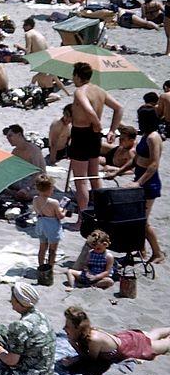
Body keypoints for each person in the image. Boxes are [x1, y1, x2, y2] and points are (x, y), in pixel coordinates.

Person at [69, 62, 123, 226]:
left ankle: (82, 221)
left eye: (73, 76)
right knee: (94, 176)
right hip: (94, 137)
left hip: (81, 134)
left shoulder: (80, 91)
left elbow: (88, 109)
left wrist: (97, 123)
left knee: (81, 180)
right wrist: (112, 130)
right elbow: (119, 108)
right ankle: (102, 213)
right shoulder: (99, 90)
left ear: (78, 76)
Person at [107, 104, 163, 262]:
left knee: (142, 222)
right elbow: (135, 160)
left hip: (150, 183)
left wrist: (138, 183)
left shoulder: (153, 137)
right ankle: (141, 251)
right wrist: (117, 173)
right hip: (141, 180)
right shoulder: (145, 136)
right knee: (136, 219)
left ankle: (157, 253)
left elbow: (153, 164)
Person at [61, 307, 170, 365]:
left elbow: (91, 360)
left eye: (67, 326)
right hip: (126, 339)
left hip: (132, 347)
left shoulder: (94, 339)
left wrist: (74, 346)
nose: (64, 329)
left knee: (164, 344)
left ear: (77, 328)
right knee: (152, 335)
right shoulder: (86, 332)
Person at [32, 175, 64, 276]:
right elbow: (60, 216)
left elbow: (37, 211)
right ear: (49, 188)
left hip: (41, 225)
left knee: (42, 248)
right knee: (52, 250)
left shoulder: (36, 199)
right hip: (52, 227)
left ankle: (41, 266)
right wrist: (64, 210)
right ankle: (50, 269)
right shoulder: (54, 202)